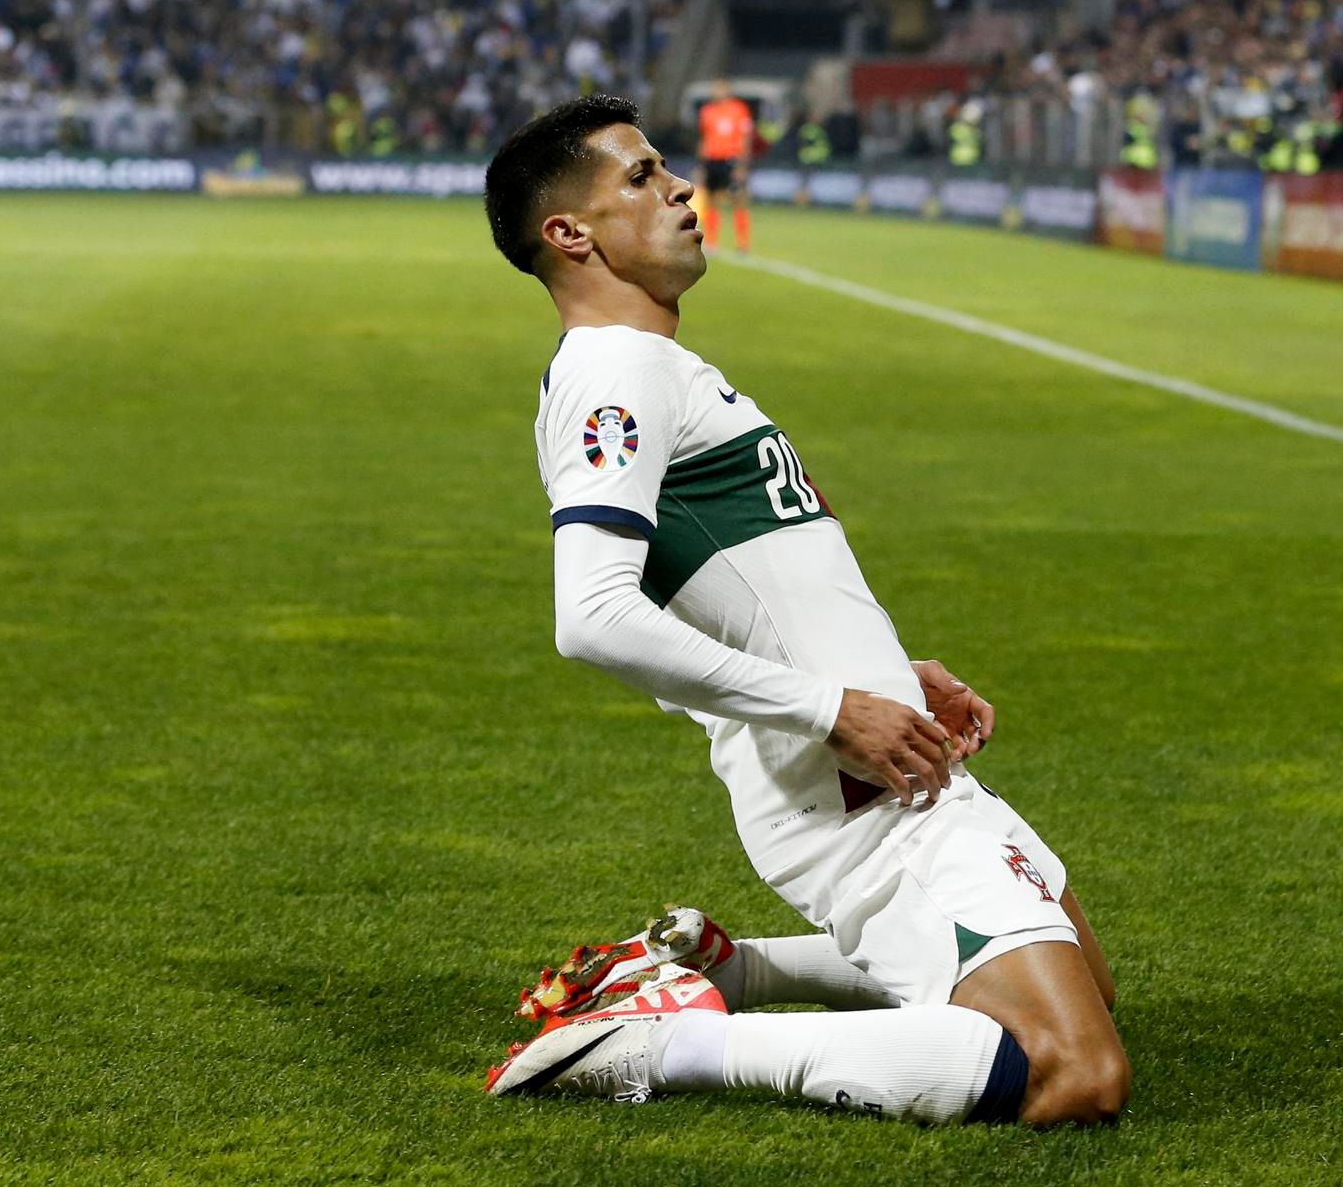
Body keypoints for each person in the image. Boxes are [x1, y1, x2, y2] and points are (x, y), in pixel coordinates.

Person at [477, 94, 1128, 1126]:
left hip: (870, 754)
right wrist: (835, 707)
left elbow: (756, 581)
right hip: (852, 780)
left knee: (1088, 986)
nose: (680, 188)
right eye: (641, 177)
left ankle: (733, 971)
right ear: (569, 234)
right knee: (1072, 1070)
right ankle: (666, 1044)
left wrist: (889, 673)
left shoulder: (654, 365)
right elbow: (592, 615)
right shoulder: (616, 371)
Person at [696, 78, 755, 251]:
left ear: (728, 91)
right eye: (715, 89)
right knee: (712, 200)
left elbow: (745, 138)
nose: (717, 93)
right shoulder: (707, 111)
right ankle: (712, 242)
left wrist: (742, 166)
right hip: (712, 160)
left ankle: (743, 244)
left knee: (738, 199)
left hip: (731, 159)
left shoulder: (739, 109)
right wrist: (701, 164)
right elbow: (704, 138)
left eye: (720, 89)